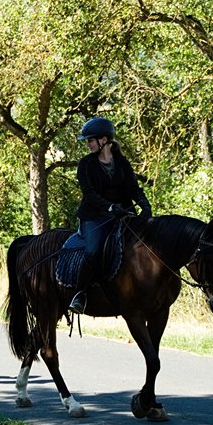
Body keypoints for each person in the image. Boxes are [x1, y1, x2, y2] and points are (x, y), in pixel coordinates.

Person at [70, 117, 151, 313]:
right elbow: (89, 194)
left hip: (123, 214)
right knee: (93, 251)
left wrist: (144, 204)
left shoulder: (122, 163)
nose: (88, 144)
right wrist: (109, 207)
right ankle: (79, 294)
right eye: (88, 141)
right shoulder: (86, 165)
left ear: (104, 140)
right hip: (95, 217)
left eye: (91, 140)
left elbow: (133, 188)